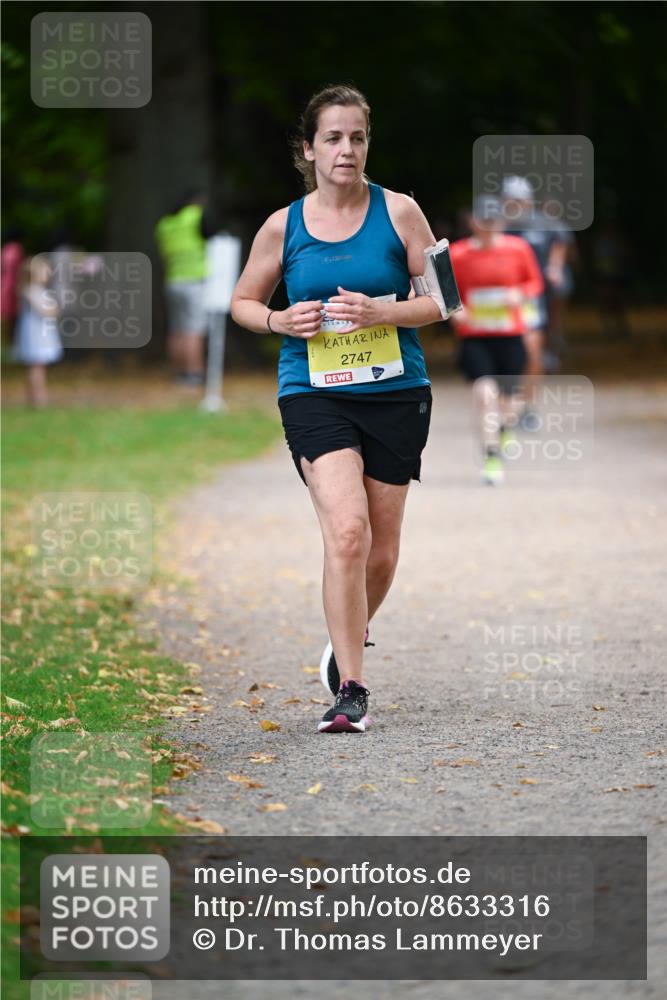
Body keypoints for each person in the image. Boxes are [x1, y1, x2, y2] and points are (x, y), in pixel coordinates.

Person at [231, 85, 442, 733]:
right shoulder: (283, 225)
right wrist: (278, 320)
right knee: (348, 532)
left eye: (356, 137)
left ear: (367, 145)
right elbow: (242, 302)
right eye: (332, 138)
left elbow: (444, 300)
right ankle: (352, 688)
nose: (346, 149)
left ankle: (347, 630)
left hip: (395, 392)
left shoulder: (401, 212)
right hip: (314, 392)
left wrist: (384, 311)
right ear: (309, 149)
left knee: (380, 550)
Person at [449, 195, 544, 484]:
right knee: (484, 394)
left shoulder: (518, 249)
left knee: (509, 402)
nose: (489, 226)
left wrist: (520, 294)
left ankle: (505, 428)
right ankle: (491, 456)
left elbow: (535, 283)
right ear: (472, 221)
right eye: (484, 220)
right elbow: (447, 291)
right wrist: (456, 310)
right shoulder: (458, 254)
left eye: (494, 220)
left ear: (502, 221)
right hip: (475, 336)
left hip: (510, 333)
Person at [502, 176, 569, 429]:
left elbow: (561, 242)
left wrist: (555, 266)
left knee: (532, 352)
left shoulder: (544, 223)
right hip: (502, 301)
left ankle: (528, 407)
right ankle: (506, 407)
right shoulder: (497, 226)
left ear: (529, 202)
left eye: (520, 201)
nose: (516, 205)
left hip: (532, 297)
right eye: (511, 201)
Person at [155, 191, 213, 385]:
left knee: (177, 329)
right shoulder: (195, 216)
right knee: (194, 328)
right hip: (195, 279)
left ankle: (180, 373)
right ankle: (195, 373)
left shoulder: (165, 224)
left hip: (173, 280)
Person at [12, 255, 63, 407]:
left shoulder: (38, 291)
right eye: (44, 270)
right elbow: (45, 310)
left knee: (38, 367)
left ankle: (35, 397)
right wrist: (53, 310)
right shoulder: (30, 291)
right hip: (36, 335)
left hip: (40, 333)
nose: (48, 273)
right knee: (36, 366)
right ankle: (38, 398)